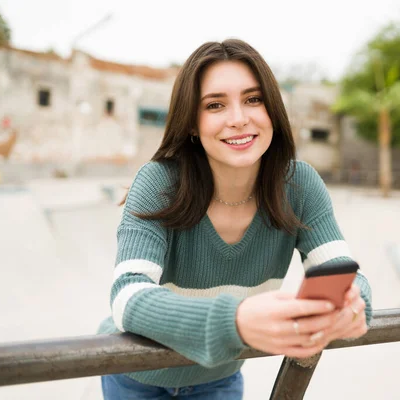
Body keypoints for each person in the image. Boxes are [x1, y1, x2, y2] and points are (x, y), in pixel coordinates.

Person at [98, 38, 373, 399]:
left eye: (253, 99)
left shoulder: (300, 185)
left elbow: (343, 270)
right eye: (215, 105)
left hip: (219, 378)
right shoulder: (159, 181)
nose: (239, 119)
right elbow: (127, 297)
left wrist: (353, 306)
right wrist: (237, 320)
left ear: (272, 109)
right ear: (192, 124)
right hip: (135, 375)